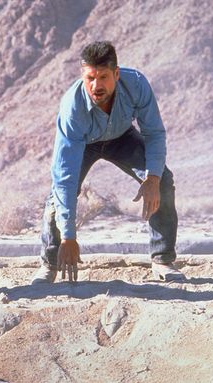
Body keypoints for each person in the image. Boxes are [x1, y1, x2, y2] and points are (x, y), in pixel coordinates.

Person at [32, 41, 185, 285]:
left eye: (103, 77)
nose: (96, 85)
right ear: (82, 75)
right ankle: (50, 264)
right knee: (57, 196)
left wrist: (152, 178)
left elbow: (154, 133)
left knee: (163, 180)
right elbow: (64, 177)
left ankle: (163, 260)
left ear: (116, 74)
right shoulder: (72, 106)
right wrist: (69, 237)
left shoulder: (136, 84)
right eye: (90, 78)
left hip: (121, 137)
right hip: (84, 143)